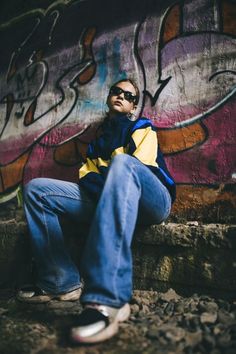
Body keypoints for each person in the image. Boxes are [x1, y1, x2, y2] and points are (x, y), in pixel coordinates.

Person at [17, 78, 176, 343]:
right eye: (116, 91)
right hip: (107, 199)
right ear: (109, 97)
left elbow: (139, 170)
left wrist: (109, 178)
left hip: (153, 201)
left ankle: (107, 298)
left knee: (123, 165)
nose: (121, 96)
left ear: (134, 106)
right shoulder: (96, 143)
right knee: (37, 190)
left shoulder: (142, 127)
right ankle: (60, 281)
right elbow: (86, 179)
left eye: (129, 95)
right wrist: (109, 182)